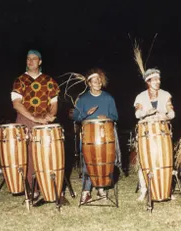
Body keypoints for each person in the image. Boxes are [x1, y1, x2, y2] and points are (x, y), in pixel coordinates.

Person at [11, 50, 59, 198]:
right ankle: (33, 190)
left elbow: (54, 104)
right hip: (25, 120)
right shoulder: (19, 81)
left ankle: (48, 187)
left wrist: (51, 115)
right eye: (28, 59)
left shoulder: (49, 81)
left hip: (43, 120)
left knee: (47, 153)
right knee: (28, 155)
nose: (30, 61)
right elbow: (17, 104)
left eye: (34, 59)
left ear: (40, 62)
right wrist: (33, 118)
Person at [70, 68, 119, 204]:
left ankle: (101, 188)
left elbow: (116, 116)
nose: (97, 82)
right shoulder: (83, 99)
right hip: (89, 137)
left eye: (99, 80)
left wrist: (107, 116)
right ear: (89, 83)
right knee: (89, 162)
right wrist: (86, 113)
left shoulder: (108, 98)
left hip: (106, 137)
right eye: (94, 80)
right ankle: (86, 192)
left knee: (104, 161)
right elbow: (75, 117)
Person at [134, 68, 175, 201]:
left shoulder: (165, 94)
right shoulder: (141, 97)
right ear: (148, 81)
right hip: (146, 131)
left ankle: (166, 189)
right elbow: (137, 114)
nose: (158, 82)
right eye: (154, 79)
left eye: (159, 79)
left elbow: (172, 113)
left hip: (162, 130)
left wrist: (166, 116)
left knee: (165, 160)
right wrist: (147, 113)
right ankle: (144, 190)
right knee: (145, 161)